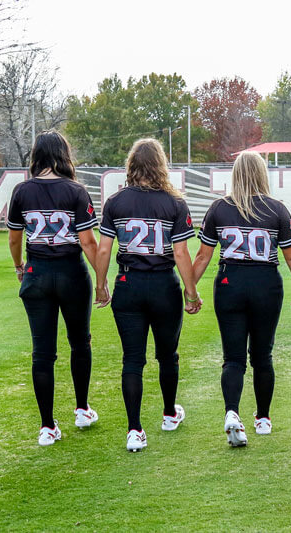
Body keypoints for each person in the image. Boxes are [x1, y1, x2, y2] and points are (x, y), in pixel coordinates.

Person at [93, 138, 202, 452]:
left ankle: (135, 430)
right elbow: (181, 253)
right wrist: (191, 292)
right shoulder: (174, 203)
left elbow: (103, 248)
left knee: (132, 360)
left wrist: (101, 285)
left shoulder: (115, 202)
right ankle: (169, 414)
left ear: (131, 166)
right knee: (167, 355)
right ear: (160, 164)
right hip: (163, 284)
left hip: (128, 284)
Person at [192, 152, 291, 447]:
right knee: (262, 355)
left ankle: (232, 412)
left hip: (230, 281)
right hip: (266, 283)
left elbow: (203, 255)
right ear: (262, 174)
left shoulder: (219, 208)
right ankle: (263, 419)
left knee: (233, 358)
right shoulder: (276, 209)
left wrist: (190, 288)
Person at [7, 131, 101, 446]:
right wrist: (102, 280)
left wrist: (20, 267)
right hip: (72, 272)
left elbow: (14, 238)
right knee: (80, 342)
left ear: (36, 155)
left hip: (36, 272)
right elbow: (88, 242)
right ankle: (82, 409)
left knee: (42, 353)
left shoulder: (22, 191)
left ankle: (47, 427)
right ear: (64, 154)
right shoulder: (76, 191)